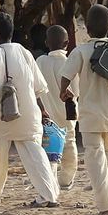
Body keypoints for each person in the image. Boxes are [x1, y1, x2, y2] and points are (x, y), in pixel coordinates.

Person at [0, 12, 60, 207]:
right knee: (35, 154)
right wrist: (42, 109)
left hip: (3, 113)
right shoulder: (25, 52)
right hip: (28, 111)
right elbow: (39, 85)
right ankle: (49, 195)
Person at [60, 5, 108, 215]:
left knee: (94, 156)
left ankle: (105, 207)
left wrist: (63, 91)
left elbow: (66, 75)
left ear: (86, 28)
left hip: (89, 113)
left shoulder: (81, 51)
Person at [36, 25, 79, 190]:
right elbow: (76, 91)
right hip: (67, 114)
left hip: (47, 116)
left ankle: (50, 181)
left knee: (48, 150)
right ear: (67, 43)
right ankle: (66, 180)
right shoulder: (70, 63)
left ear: (46, 43)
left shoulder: (40, 61)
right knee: (70, 143)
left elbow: (36, 88)